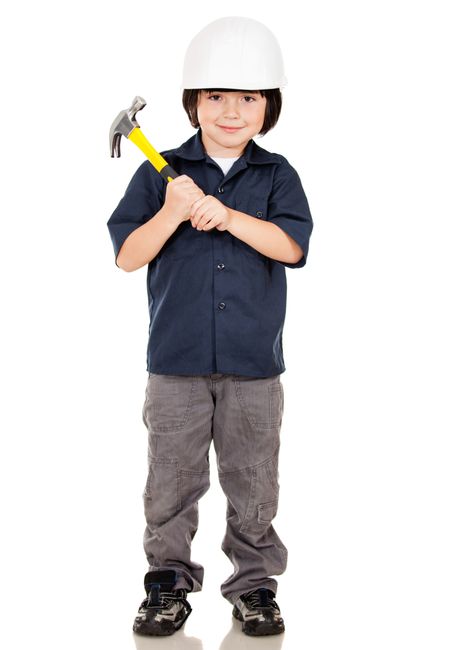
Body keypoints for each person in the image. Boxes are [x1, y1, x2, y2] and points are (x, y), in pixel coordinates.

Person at [107, 16, 313, 637]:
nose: (230, 110)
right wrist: (173, 212)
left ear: (268, 106)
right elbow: (127, 255)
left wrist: (227, 215)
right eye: (215, 96)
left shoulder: (277, 176)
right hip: (175, 361)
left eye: (247, 97)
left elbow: (291, 248)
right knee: (170, 481)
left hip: (254, 365)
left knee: (253, 482)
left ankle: (254, 587)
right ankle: (166, 584)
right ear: (193, 102)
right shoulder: (160, 172)